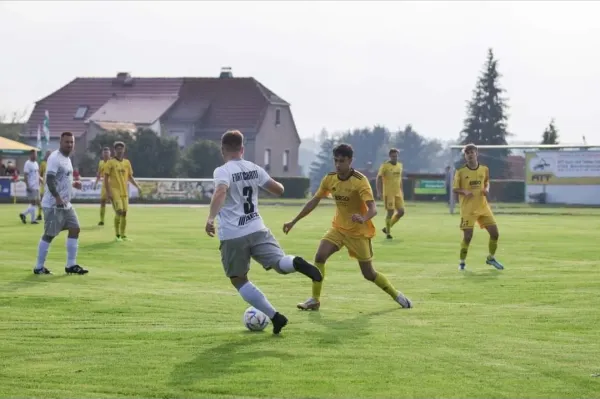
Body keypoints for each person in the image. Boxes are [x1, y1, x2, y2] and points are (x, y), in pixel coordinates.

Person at [205, 130, 323, 335]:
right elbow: (278, 189)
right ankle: (296, 263)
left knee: (238, 278)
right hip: (258, 228)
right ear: (242, 149)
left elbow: (221, 191)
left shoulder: (222, 171)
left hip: (233, 234)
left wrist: (210, 218)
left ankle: (275, 316)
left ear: (222, 149)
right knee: (280, 263)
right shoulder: (254, 169)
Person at [284, 143, 412, 311]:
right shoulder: (330, 178)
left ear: (350, 161)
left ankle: (396, 295)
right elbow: (314, 201)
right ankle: (315, 300)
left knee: (369, 274)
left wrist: (363, 217)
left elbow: (373, 209)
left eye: (342, 161)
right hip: (338, 228)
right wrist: (294, 221)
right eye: (335, 160)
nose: (338, 164)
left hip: (358, 233)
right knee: (320, 256)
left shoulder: (360, 181)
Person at [34, 132, 88, 275]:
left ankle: (71, 265)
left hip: (65, 204)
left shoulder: (67, 159)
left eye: (71, 142)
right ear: (60, 142)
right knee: (49, 235)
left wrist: (73, 183)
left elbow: (62, 177)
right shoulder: (55, 158)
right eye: (67, 142)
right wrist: (57, 197)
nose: (69, 144)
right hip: (53, 204)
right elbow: (50, 179)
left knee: (75, 228)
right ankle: (38, 267)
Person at [452, 143, 504, 271]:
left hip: (483, 207)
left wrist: (486, 189)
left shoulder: (484, 169)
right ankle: (462, 262)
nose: (470, 154)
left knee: (495, 234)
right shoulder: (461, 172)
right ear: (465, 156)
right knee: (468, 237)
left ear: (476, 154)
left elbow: (486, 183)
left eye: (472, 152)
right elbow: (455, 189)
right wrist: (464, 192)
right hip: (468, 209)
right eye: (467, 153)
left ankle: (491, 258)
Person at [104, 142, 141, 242]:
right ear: (115, 151)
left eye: (121, 149)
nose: (120, 151)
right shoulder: (110, 162)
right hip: (115, 190)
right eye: (118, 149)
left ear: (124, 150)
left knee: (124, 213)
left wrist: (137, 186)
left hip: (124, 191)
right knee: (119, 211)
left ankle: (123, 235)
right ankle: (117, 235)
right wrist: (108, 192)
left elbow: (130, 177)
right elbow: (106, 178)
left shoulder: (127, 163)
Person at [376, 148, 405, 239]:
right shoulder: (385, 166)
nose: (394, 158)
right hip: (389, 193)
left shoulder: (400, 166)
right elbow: (379, 178)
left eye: (396, 156)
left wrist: (401, 190)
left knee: (401, 212)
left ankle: (387, 227)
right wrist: (379, 192)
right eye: (393, 156)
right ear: (390, 156)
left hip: (398, 193)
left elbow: (399, 180)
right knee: (390, 212)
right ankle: (388, 233)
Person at [20, 150, 41, 225]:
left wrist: (40, 179)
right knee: (33, 203)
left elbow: (37, 174)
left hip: (37, 186)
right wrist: (27, 186)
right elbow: (25, 175)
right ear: (31, 155)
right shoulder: (27, 163)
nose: (36, 156)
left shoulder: (36, 163)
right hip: (31, 186)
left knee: (37, 203)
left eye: (36, 155)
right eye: (35, 155)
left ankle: (23, 214)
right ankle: (33, 220)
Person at [93, 147, 112, 226]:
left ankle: (119, 219)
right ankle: (102, 220)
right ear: (102, 154)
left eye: (107, 153)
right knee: (102, 202)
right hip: (104, 184)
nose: (106, 154)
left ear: (110, 153)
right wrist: (95, 184)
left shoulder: (113, 162)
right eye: (104, 153)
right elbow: (98, 175)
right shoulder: (101, 163)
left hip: (113, 185)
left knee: (115, 203)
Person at [38, 150, 51, 221]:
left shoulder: (53, 163)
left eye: (49, 154)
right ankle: (39, 214)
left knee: (49, 201)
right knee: (42, 199)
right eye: (47, 154)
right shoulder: (43, 163)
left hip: (50, 185)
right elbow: (39, 174)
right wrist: (40, 181)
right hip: (44, 185)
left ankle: (48, 215)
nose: (48, 156)